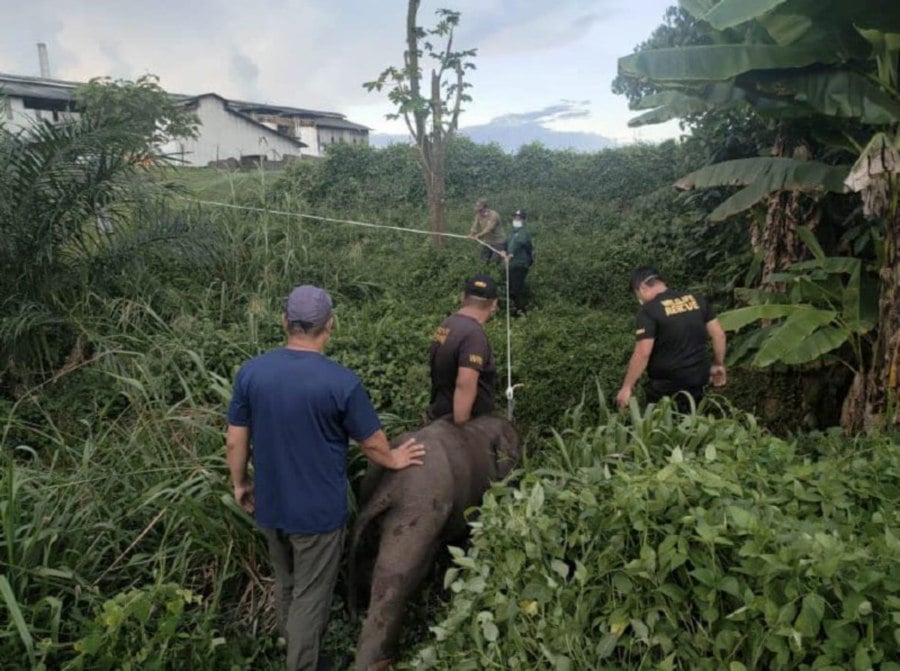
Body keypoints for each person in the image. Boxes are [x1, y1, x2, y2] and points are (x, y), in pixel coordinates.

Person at [225, 284, 425, 671]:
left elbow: (236, 440)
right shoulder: (341, 382)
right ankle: (302, 664)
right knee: (311, 598)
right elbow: (372, 443)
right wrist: (395, 458)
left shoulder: (251, 373)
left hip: (271, 504)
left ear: (285, 322)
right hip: (317, 515)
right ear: (330, 325)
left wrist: (240, 483)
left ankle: (302, 654)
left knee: (287, 586)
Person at [616, 267, 727, 412]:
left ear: (642, 287)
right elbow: (719, 335)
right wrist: (718, 364)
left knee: (663, 428)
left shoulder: (648, 311)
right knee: (695, 420)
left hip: (667, 386)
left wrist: (627, 387)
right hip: (699, 378)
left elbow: (643, 352)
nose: (640, 299)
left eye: (637, 294)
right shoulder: (696, 299)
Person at [427, 275, 499, 424]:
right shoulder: (474, 335)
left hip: (439, 414)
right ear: (494, 304)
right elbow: (465, 384)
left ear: (462, 297)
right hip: (458, 423)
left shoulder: (448, 323)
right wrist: (462, 429)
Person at [502, 209, 534, 315]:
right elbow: (505, 243)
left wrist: (510, 254)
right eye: (515, 217)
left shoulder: (523, 233)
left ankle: (522, 312)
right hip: (511, 265)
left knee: (517, 289)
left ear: (524, 220)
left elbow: (519, 244)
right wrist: (503, 251)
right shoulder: (511, 233)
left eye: (519, 218)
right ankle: (514, 311)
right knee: (510, 288)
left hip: (520, 264)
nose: (516, 219)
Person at [469, 198, 505, 264]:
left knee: (494, 262)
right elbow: (474, 225)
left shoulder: (494, 215)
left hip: (498, 242)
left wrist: (478, 235)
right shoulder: (478, 215)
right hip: (488, 241)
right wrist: (472, 233)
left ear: (485, 208)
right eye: (478, 210)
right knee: (483, 261)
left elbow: (488, 229)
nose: (479, 212)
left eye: (480, 210)